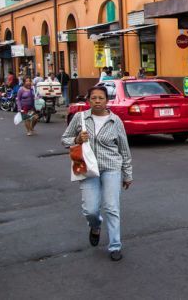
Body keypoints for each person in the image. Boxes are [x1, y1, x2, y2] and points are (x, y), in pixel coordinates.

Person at [61, 85, 132, 262]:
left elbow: (124, 149)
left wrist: (128, 174)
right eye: (94, 98)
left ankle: (115, 245)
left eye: (101, 98)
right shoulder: (80, 118)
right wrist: (76, 139)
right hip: (87, 168)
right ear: (89, 100)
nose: (97, 101)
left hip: (111, 167)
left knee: (112, 207)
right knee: (90, 209)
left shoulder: (116, 121)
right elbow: (64, 139)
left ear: (107, 101)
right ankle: (95, 226)